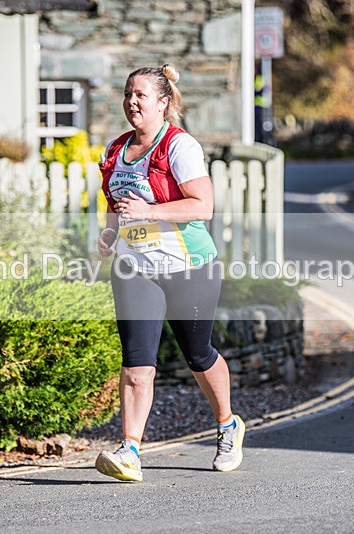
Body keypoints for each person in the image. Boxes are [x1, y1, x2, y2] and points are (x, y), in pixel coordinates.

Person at [94, 64, 245, 482]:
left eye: (141, 95)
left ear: (163, 103)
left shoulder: (180, 147)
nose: (132, 102)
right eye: (128, 94)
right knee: (136, 363)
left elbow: (203, 206)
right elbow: (115, 203)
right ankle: (130, 451)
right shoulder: (115, 150)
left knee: (198, 355)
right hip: (134, 269)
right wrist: (108, 234)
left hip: (188, 267)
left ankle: (228, 424)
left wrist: (150, 211)